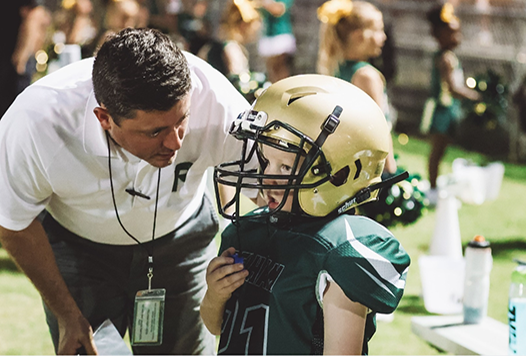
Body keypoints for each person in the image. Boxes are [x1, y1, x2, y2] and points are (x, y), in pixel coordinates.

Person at [0, 27, 254, 355]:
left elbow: (268, 185)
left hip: (182, 239)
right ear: (104, 118)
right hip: (80, 250)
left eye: (182, 121)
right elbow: (13, 222)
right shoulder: (36, 121)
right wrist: (66, 313)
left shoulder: (214, 97)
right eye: (156, 131)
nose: (176, 143)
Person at [200, 74, 411, 354]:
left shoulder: (341, 251)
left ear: (340, 174)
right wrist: (215, 295)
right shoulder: (245, 232)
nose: (267, 178)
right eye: (265, 161)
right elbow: (217, 327)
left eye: (285, 168)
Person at [316, 0, 397, 174]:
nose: (383, 37)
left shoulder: (337, 69)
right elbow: (380, 128)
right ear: (359, 35)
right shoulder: (366, 76)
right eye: (378, 31)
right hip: (370, 165)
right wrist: (390, 168)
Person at [421, 2, 481, 205]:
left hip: (449, 109)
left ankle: (435, 185)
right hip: (442, 110)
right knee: (437, 151)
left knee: (441, 149)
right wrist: (475, 96)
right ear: (441, 34)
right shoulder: (445, 58)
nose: (458, 36)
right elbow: (453, 88)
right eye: (453, 32)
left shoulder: (450, 56)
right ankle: (432, 188)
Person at [0, 0, 51, 118]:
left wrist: (21, 56)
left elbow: (34, 15)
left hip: (13, 62)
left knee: (10, 113)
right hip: (9, 59)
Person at [197, 0, 261, 77]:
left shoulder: (210, 46)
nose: (254, 35)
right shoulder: (232, 49)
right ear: (243, 26)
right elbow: (238, 79)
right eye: (252, 30)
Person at [256, 0, 296, 83]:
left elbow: (278, 10)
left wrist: (264, 3)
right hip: (268, 35)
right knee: (271, 70)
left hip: (281, 35)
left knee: (280, 68)